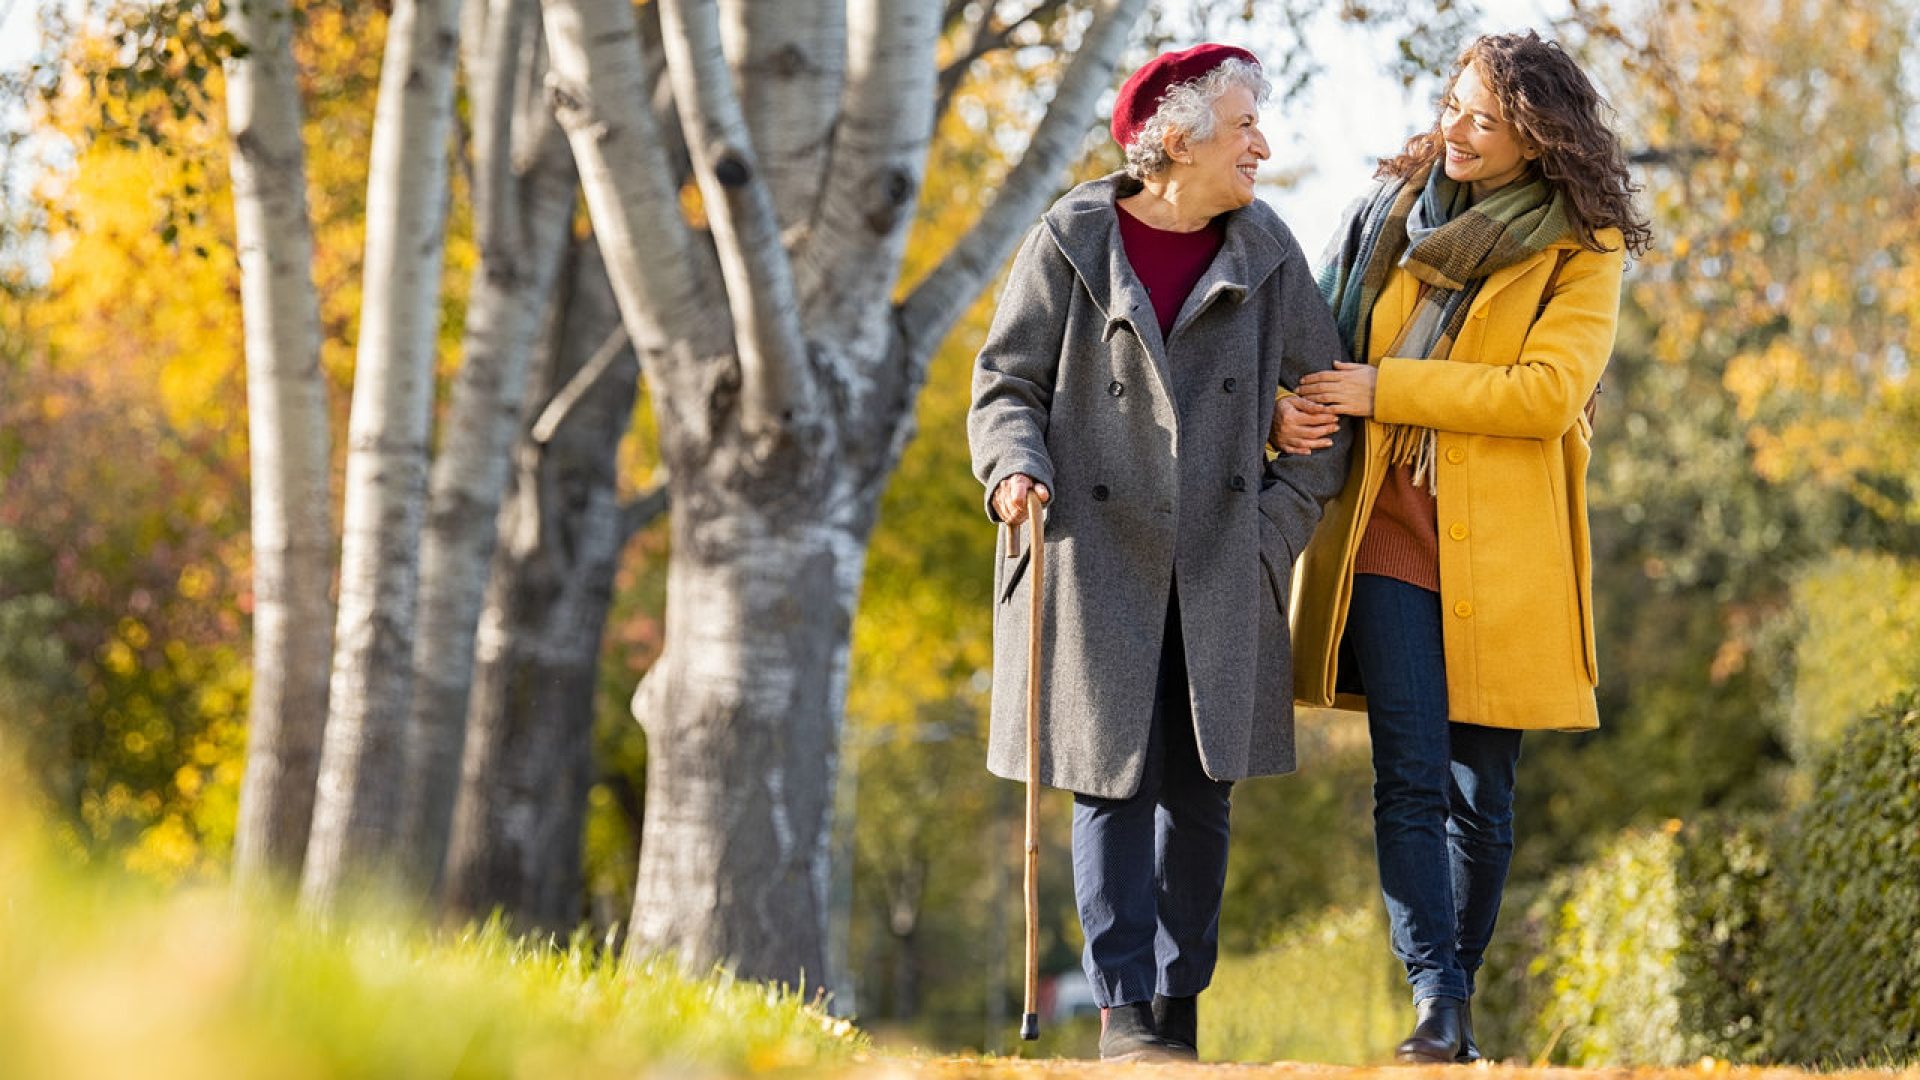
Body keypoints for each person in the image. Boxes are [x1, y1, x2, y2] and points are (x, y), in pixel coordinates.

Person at [1271, 30, 1653, 1063]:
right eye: (1453, 104)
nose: (1457, 130)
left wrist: (1387, 388)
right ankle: (1437, 1001)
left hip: (1506, 555)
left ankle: (1458, 992)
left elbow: (1544, 394)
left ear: (1538, 140)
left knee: (1483, 798)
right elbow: (1311, 339)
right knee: (1410, 773)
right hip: (1388, 529)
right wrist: (1287, 406)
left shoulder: (1583, 247)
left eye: (1485, 119)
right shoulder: (1388, 215)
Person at [968, 43, 1351, 1063]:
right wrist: (1012, 468)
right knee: (1112, 782)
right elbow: (1006, 385)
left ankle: (1179, 1013)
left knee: (1200, 790)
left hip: (1224, 559)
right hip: (1096, 555)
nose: (1263, 147)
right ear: (1176, 144)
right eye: (1244, 129)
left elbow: (1327, 409)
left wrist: (1273, 532)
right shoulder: (1071, 239)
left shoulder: (1267, 248)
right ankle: (1125, 1013)